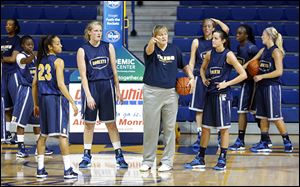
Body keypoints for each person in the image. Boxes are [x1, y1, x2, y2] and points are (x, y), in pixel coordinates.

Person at [184, 30, 247, 170]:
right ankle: (200, 158)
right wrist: (204, 78)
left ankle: (222, 158)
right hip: (209, 94)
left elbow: (243, 74)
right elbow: (202, 69)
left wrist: (227, 83)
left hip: (222, 96)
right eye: (213, 38)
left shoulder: (229, 55)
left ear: (223, 41)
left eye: (216, 38)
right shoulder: (209, 54)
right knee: (205, 128)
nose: (213, 40)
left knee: (223, 129)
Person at [139, 25, 195, 172]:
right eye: (160, 34)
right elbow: (148, 51)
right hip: (152, 92)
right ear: (154, 36)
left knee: (169, 128)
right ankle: (148, 160)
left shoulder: (174, 49)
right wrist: (152, 42)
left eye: (165, 34)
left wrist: (191, 77)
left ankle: (167, 161)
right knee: (151, 129)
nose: (164, 36)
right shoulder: (150, 48)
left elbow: (184, 66)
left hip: (170, 93)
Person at [77, 21, 128, 168]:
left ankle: (119, 155)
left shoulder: (108, 46)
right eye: (96, 30)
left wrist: (118, 90)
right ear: (89, 33)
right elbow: (83, 76)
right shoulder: (82, 50)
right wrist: (88, 95)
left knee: (111, 123)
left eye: (100, 30)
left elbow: (115, 70)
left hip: (107, 86)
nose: (99, 33)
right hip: (91, 87)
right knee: (89, 125)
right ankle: (86, 155)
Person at [32, 35, 79, 179]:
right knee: (63, 135)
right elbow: (60, 84)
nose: (61, 46)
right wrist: (72, 101)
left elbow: (34, 84)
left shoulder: (40, 62)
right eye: (58, 44)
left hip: (43, 99)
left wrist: (35, 104)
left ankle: (40, 169)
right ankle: (67, 170)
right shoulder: (58, 61)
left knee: (43, 135)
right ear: (50, 47)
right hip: (55, 100)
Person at [245, 27, 293, 153]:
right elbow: (252, 61)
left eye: (263, 35)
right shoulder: (263, 50)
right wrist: (240, 67)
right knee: (262, 116)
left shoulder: (276, 52)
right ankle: (264, 141)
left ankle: (287, 141)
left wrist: (262, 76)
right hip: (261, 86)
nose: (261, 37)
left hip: (272, 86)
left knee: (275, 117)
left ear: (269, 37)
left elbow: (279, 71)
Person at [229, 25, 273, 151]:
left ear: (246, 35)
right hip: (245, 83)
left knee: (244, 111)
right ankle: (266, 139)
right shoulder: (239, 47)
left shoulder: (252, 48)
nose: (237, 35)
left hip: (251, 84)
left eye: (240, 33)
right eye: (236, 33)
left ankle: (241, 141)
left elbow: (259, 64)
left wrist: (255, 72)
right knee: (253, 112)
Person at [188, 18, 229, 151]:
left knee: (214, 107)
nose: (206, 28)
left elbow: (226, 30)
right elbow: (192, 61)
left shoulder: (217, 41)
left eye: (209, 26)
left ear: (213, 28)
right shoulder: (196, 42)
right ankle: (200, 135)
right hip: (200, 77)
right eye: (204, 26)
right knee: (199, 108)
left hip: (214, 79)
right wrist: (191, 78)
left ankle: (218, 135)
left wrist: (216, 20)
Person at [11, 35, 53, 158]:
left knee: (37, 122)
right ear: (22, 46)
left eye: (32, 45)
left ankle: (39, 146)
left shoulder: (35, 58)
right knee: (21, 122)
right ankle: (20, 147)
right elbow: (25, 62)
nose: (31, 46)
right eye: (28, 45)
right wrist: (34, 55)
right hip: (25, 90)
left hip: (36, 90)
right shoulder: (20, 56)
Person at [1, 18, 21, 143]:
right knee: (6, 106)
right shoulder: (2, 40)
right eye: (6, 24)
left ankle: (18, 134)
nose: (7, 26)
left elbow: (13, 59)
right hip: (4, 75)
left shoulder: (17, 40)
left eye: (10, 25)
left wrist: (2, 58)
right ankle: (7, 132)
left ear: (15, 27)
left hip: (14, 74)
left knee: (17, 105)